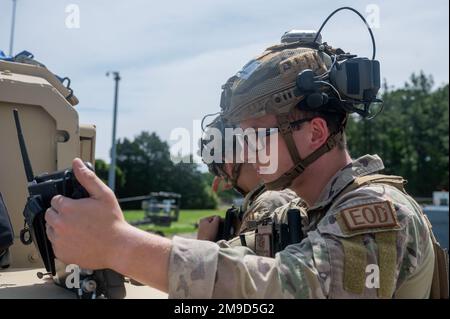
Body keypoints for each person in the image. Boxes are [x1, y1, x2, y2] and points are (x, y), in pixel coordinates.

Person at [45, 39, 446, 299]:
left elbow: (286, 288)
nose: (245, 150)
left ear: (314, 132)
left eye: (256, 136)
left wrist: (120, 244)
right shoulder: (304, 212)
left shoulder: (379, 212)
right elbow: (236, 257)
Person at [197, 115, 297, 242]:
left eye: (219, 172)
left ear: (227, 165)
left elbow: (242, 262)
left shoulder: (267, 204)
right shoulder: (290, 191)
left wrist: (204, 242)